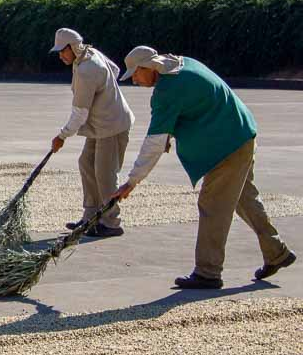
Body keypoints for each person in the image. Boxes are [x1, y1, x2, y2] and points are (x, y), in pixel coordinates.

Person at [111, 45, 296, 289]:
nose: (134, 80)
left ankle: (208, 273)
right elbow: (196, 105)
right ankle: (277, 253)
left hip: (227, 145)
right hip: (241, 133)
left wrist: (131, 182)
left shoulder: (167, 91)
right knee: (244, 198)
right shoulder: (182, 63)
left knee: (212, 205)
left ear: (149, 68)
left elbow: (153, 144)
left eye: (135, 74)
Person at [48, 28, 135, 237]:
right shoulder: (89, 55)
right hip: (99, 124)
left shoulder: (88, 69)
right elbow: (113, 70)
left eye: (62, 51)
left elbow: (79, 113)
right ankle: (90, 217)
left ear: (73, 47)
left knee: (105, 174)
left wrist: (62, 136)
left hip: (112, 126)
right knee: (86, 163)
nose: (60, 55)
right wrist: (105, 93)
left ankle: (111, 223)